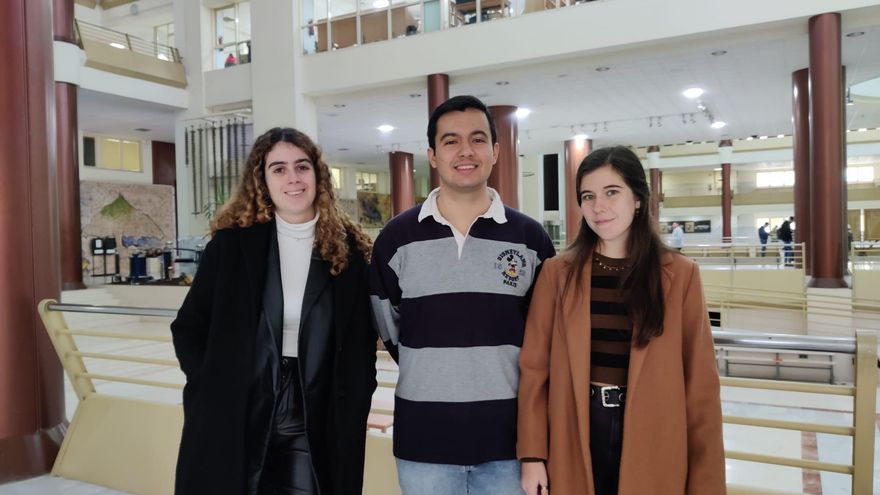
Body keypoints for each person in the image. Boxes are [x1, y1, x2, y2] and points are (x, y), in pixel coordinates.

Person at [171, 127, 377, 495]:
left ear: (318, 175)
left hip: (318, 409)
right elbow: (188, 325)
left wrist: (358, 398)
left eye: (301, 167)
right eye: (278, 169)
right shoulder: (232, 246)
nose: (293, 178)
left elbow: (363, 340)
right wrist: (208, 384)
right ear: (262, 180)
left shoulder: (350, 252)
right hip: (239, 404)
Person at [369, 95, 555, 494]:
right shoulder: (396, 239)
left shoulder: (530, 240)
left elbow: (545, 341)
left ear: (496, 151)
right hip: (424, 444)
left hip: (509, 446)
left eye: (477, 139)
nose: (465, 151)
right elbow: (391, 331)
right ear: (433, 155)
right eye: (451, 141)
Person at [518, 146, 725, 495]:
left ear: (638, 199)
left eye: (612, 192)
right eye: (588, 196)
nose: (599, 207)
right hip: (575, 429)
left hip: (653, 432)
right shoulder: (558, 274)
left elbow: (700, 386)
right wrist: (532, 455)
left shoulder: (678, 275)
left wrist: (705, 482)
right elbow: (535, 369)